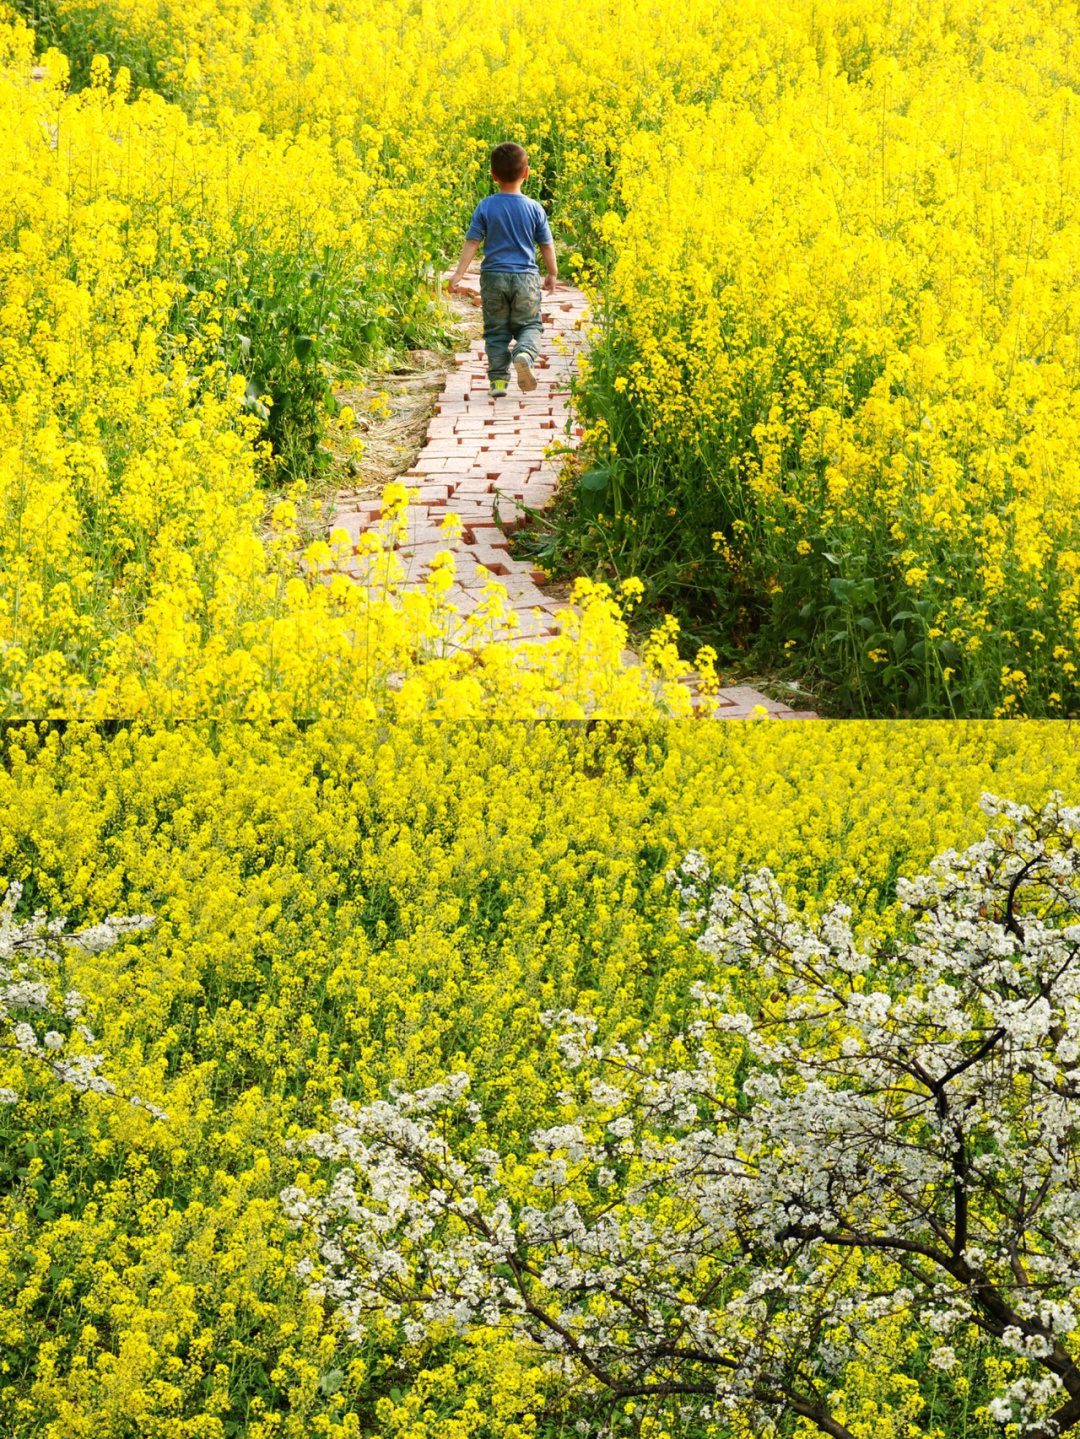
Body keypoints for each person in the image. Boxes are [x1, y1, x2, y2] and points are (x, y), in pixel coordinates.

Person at [446, 142, 558, 397]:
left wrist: (459, 274)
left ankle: (497, 383)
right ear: (527, 173)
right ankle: (524, 355)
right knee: (530, 325)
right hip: (526, 278)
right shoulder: (534, 208)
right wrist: (552, 273)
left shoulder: (486, 206)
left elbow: (473, 241)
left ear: (493, 175)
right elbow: (546, 245)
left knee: (496, 331)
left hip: (493, 278)